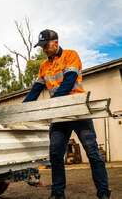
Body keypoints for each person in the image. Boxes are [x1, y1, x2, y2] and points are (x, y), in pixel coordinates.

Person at [23, 29, 111, 199]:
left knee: (92, 152)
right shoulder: (43, 66)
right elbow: (35, 90)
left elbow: (69, 81)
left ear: (55, 42)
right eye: (41, 46)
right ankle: (57, 194)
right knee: (55, 154)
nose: (44, 49)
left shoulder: (71, 55)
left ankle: (103, 193)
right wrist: (23, 108)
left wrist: (52, 102)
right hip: (58, 115)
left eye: (46, 45)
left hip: (77, 111)